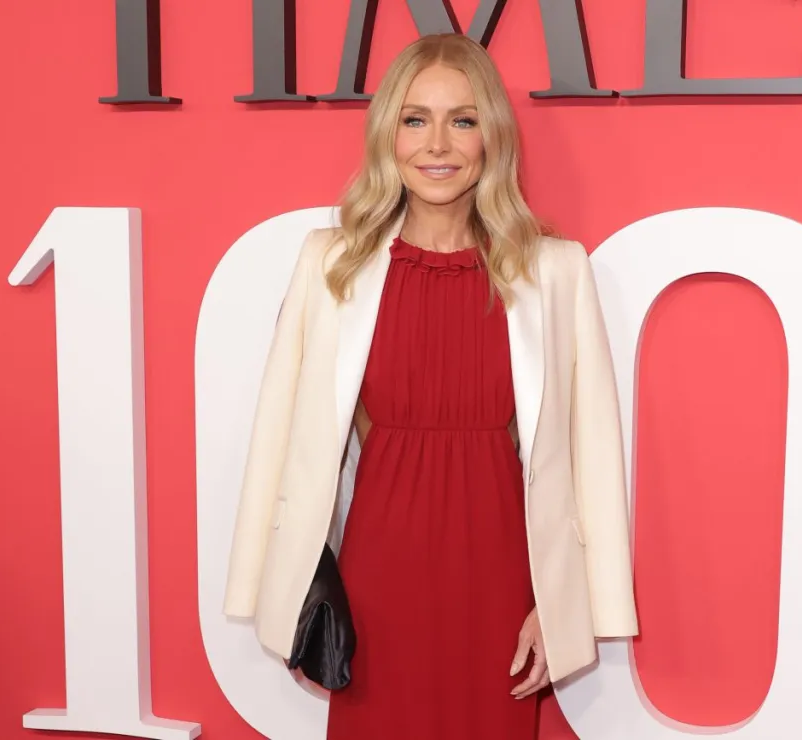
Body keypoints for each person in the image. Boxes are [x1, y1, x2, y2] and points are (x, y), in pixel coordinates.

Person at [223, 32, 638, 739]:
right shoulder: (332, 265)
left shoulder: (556, 271)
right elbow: (278, 434)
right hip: (377, 572)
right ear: (389, 135)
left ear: (491, 138)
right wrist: (275, 582)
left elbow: (594, 452)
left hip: (502, 576)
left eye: (463, 119)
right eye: (416, 119)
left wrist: (563, 604)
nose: (437, 144)